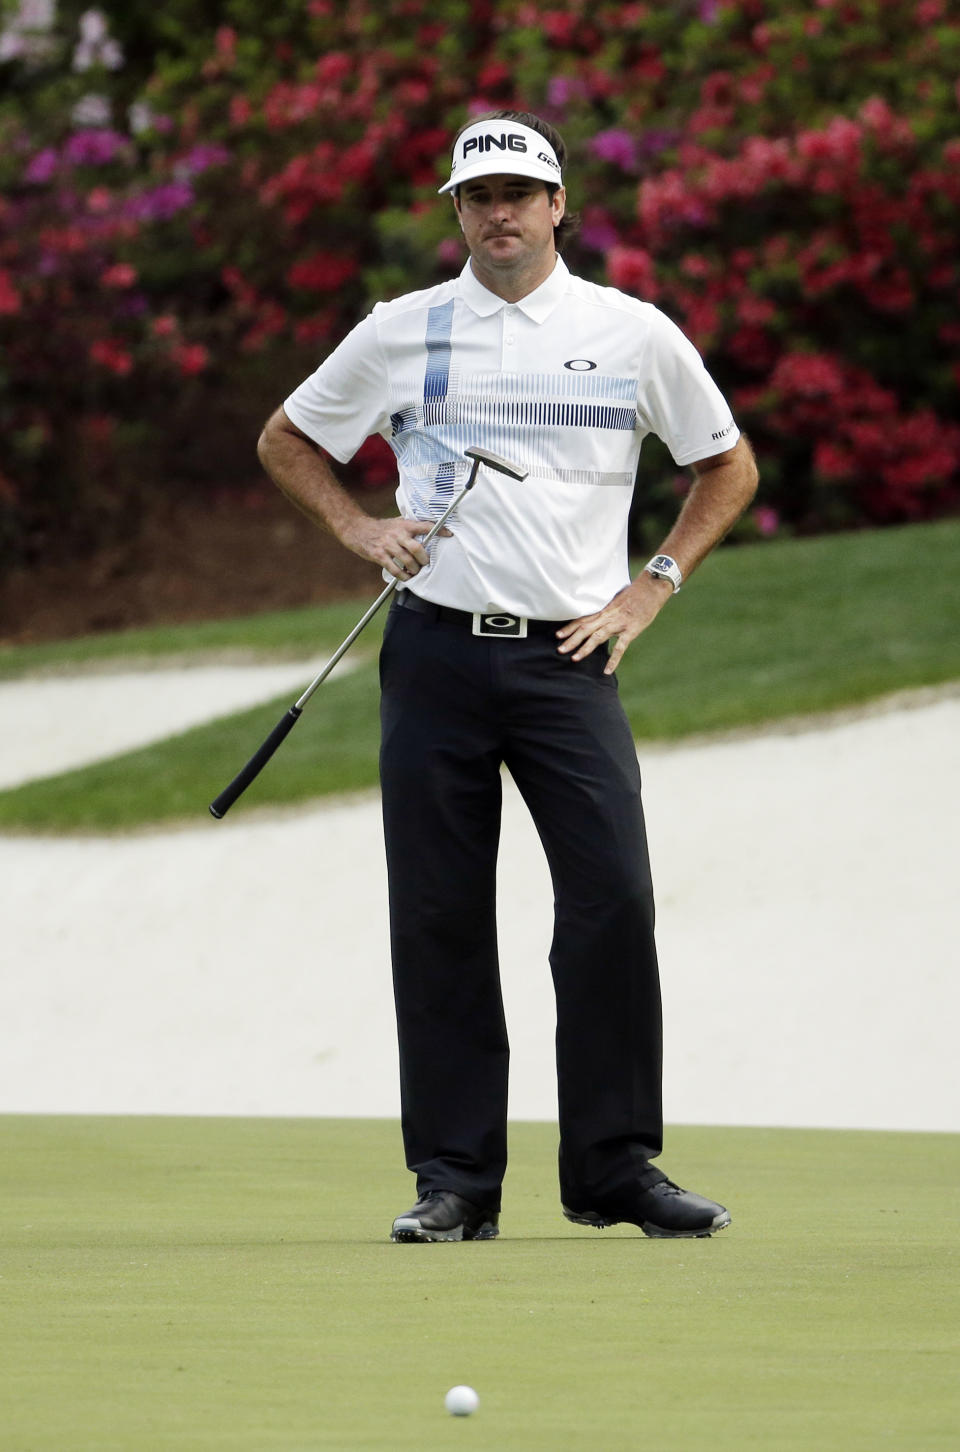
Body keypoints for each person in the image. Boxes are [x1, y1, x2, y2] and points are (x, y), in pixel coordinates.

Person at [257, 109, 758, 1242]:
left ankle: (616, 1169)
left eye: (519, 194)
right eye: (478, 197)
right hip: (434, 649)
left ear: (558, 205)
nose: (499, 214)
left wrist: (650, 587)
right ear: (458, 211)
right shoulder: (404, 329)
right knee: (438, 913)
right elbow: (288, 439)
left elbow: (727, 463)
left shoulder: (631, 334)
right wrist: (358, 529)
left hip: (567, 660)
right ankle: (455, 1181)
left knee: (612, 903)